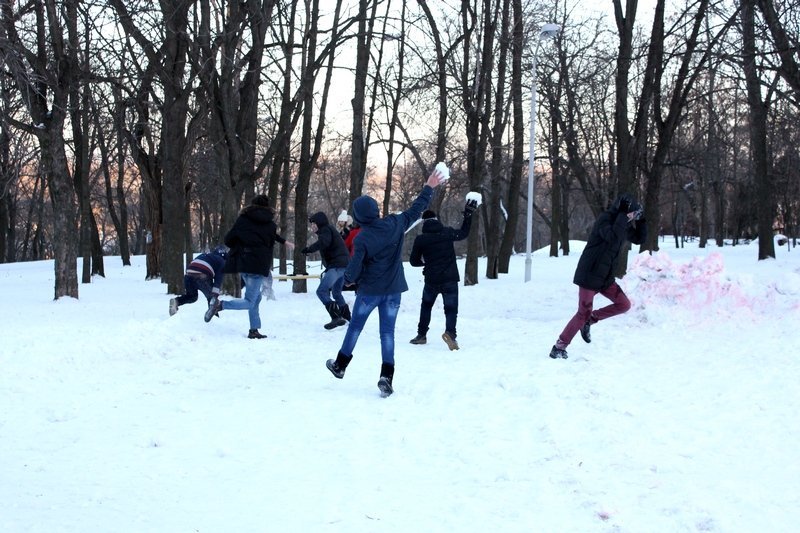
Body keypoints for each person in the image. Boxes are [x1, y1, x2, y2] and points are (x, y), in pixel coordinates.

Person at [325, 167, 446, 397]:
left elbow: (352, 271)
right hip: (393, 291)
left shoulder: (362, 238)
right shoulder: (395, 223)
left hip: (370, 292)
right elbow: (417, 208)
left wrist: (347, 281)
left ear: (358, 217)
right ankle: (386, 377)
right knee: (387, 333)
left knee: (355, 327)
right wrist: (429, 186)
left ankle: (340, 366)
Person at [549, 193, 648, 359]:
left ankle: (591, 320)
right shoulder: (606, 220)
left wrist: (642, 220)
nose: (632, 218)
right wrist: (624, 216)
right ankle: (559, 347)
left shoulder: (622, 224)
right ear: (623, 211)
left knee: (624, 305)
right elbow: (613, 237)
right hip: (590, 274)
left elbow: (640, 239)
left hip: (605, 277)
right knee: (582, 313)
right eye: (632, 214)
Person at [205, 194, 293, 339]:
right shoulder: (270, 225)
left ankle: (254, 330)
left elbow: (228, 239)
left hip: (243, 263)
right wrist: (284, 242)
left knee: (255, 298)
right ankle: (220, 305)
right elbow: (272, 236)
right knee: (250, 301)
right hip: (257, 266)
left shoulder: (243, 220)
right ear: (268, 208)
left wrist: (241, 245)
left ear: (251, 206)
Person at [408, 199, 477, 350]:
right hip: (450, 278)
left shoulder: (421, 239)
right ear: (436, 219)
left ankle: (421, 335)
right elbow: (463, 233)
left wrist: (425, 262)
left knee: (426, 306)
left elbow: (413, 261)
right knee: (451, 309)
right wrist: (468, 215)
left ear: (424, 222)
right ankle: (451, 334)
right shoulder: (447, 232)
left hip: (432, 279)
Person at [301, 211, 351, 330]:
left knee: (322, 291)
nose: (312, 226)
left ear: (319, 223)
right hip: (343, 265)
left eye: (314, 224)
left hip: (337, 266)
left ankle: (336, 317)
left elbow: (324, 243)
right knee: (336, 292)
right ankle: (349, 319)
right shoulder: (328, 230)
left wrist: (309, 249)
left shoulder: (326, 230)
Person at [169, 246, 228, 317]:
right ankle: (213, 318)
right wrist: (215, 294)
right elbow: (218, 279)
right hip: (202, 275)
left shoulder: (204, 255)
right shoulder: (221, 261)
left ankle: (176, 301)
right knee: (211, 298)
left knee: (192, 296)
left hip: (188, 275)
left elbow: (193, 265)